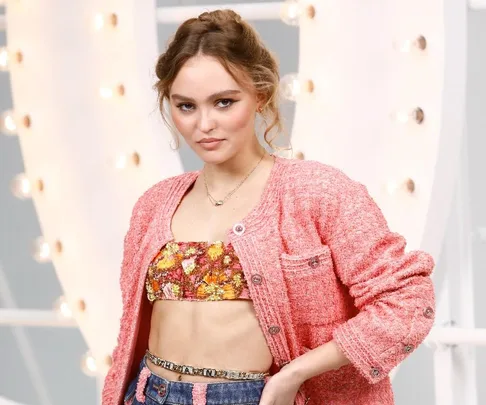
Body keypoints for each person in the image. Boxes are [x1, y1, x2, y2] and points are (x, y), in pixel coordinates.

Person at [101, 9, 436, 405]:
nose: (203, 123)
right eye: (186, 106)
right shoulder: (154, 204)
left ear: (260, 94)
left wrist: (294, 374)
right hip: (148, 393)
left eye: (224, 102)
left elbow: (408, 301)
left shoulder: (317, 192)